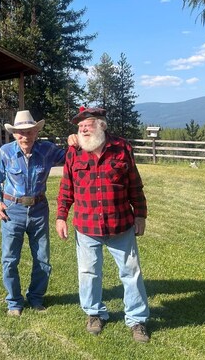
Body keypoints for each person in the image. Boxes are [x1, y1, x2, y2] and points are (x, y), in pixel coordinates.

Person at [55, 106, 151, 342]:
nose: (82, 129)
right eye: (79, 126)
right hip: (86, 226)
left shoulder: (121, 149)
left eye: (87, 124)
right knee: (88, 273)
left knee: (131, 273)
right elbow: (66, 187)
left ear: (102, 125)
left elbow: (134, 184)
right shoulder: (74, 153)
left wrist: (140, 215)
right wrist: (60, 216)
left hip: (121, 225)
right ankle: (94, 313)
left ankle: (137, 320)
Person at [0, 110, 66, 317]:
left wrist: (75, 140)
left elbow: (72, 158)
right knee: (9, 259)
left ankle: (36, 298)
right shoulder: (5, 152)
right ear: (14, 134)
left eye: (29, 131)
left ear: (36, 132)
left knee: (42, 258)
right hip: (11, 210)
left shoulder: (47, 150)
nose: (25, 136)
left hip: (39, 210)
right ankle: (14, 301)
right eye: (21, 132)